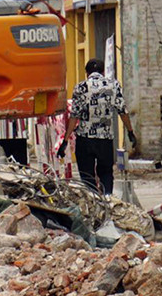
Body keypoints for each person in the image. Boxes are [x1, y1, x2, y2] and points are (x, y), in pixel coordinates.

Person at [58, 58, 138, 196]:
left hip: (85, 139)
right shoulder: (113, 86)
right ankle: (108, 199)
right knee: (106, 172)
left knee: (87, 176)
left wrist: (65, 141)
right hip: (105, 139)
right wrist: (130, 132)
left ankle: (94, 201)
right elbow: (122, 111)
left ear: (87, 73)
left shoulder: (80, 88)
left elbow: (74, 116)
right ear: (103, 71)